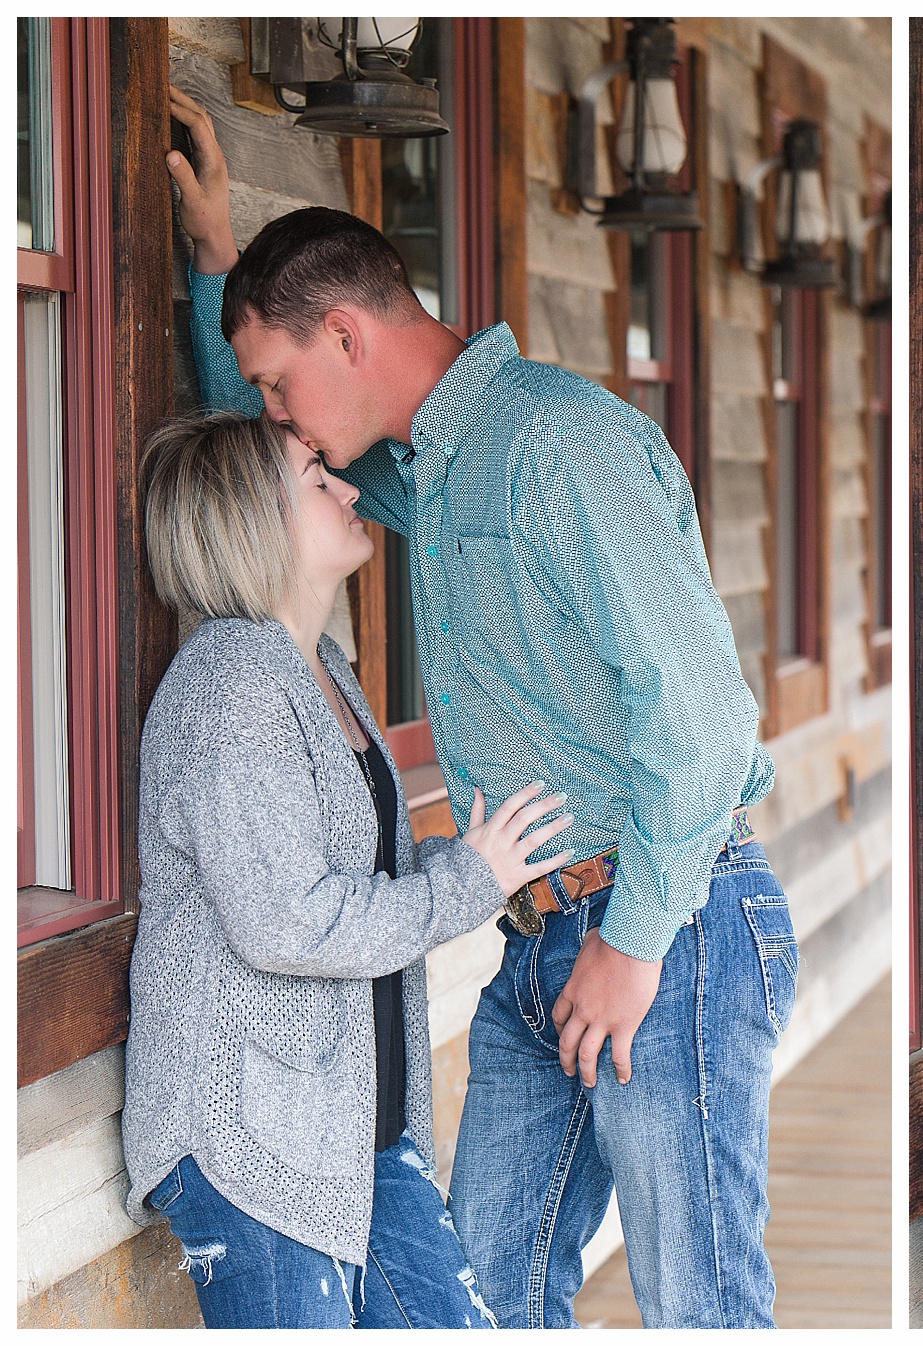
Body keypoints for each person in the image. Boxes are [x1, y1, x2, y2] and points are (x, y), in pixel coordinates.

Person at [167, 85, 794, 1329]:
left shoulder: (557, 446)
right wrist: (219, 262)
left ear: (346, 337)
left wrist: (638, 940)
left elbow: (705, 719)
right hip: (541, 938)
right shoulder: (424, 476)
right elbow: (261, 477)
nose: (280, 416)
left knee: (702, 1309)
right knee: (485, 1305)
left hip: (667, 918)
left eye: (282, 379)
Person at [123, 410, 576, 1328]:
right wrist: (469, 882)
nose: (349, 487)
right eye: (316, 478)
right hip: (254, 1141)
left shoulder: (319, 665)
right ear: (252, 519)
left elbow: (363, 868)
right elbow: (288, 919)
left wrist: (486, 861)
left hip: (351, 1134)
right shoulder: (230, 684)